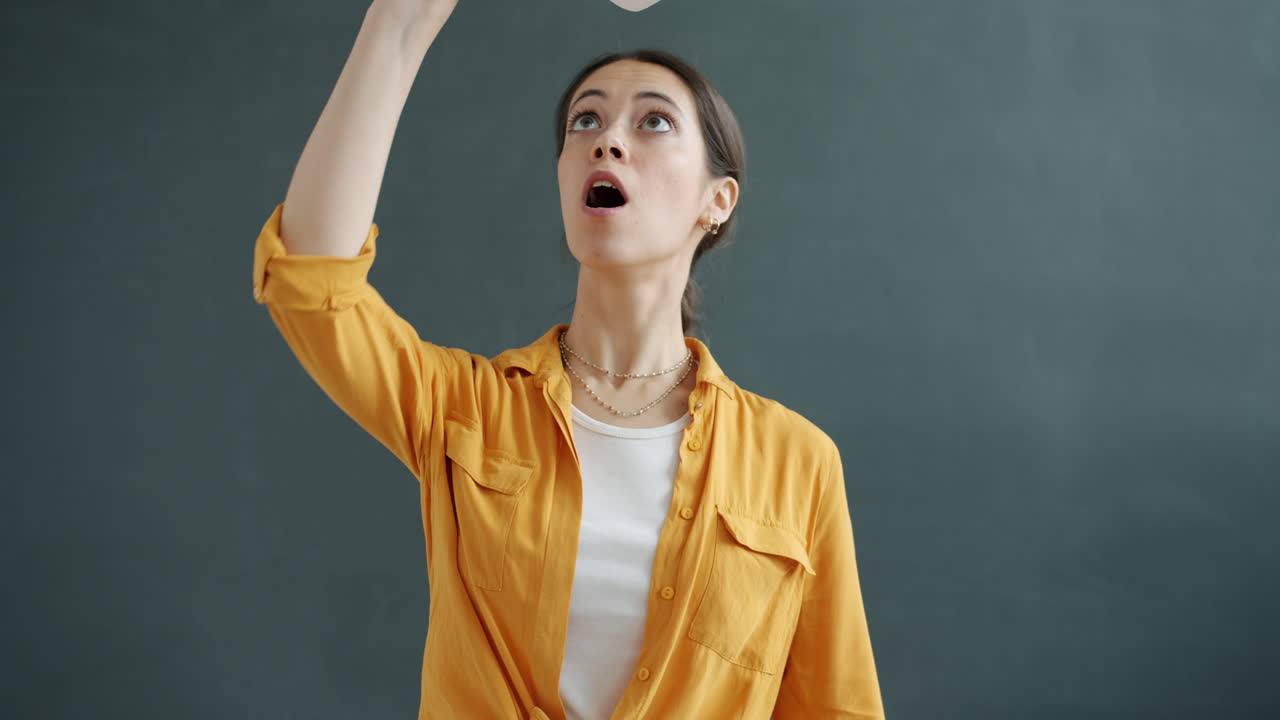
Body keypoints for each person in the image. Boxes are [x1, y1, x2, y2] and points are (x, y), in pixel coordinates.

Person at [250, 1, 885, 718]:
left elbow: (836, 707)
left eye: (653, 122)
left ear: (718, 200)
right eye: (586, 120)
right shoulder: (465, 410)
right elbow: (310, 277)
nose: (608, 139)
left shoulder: (797, 463)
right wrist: (401, 19)